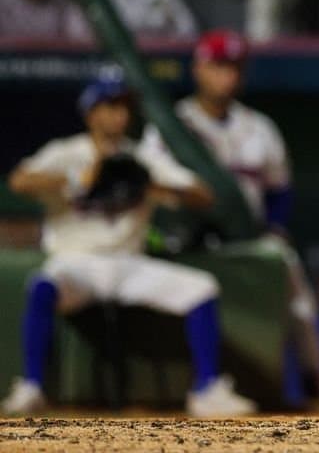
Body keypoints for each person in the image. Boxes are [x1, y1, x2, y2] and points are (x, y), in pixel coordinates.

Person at [1, 72, 255, 417]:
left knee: (201, 288)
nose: (119, 114)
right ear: (91, 112)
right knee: (42, 284)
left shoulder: (142, 157)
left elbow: (202, 195)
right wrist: (77, 178)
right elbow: (19, 181)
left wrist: (152, 184)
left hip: (128, 263)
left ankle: (207, 389)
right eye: (109, 105)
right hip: (76, 262)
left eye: (124, 106)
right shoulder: (67, 152)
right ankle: (32, 386)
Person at [140, 30, 319, 398]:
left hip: (246, 235)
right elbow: (150, 183)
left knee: (291, 275)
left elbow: (280, 189)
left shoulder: (259, 128)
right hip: (184, 238)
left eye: (233, 67)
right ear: (199, 69)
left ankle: (314, 372)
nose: (226, 76)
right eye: (218, 66)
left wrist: (275, 227)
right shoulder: (173, 125)